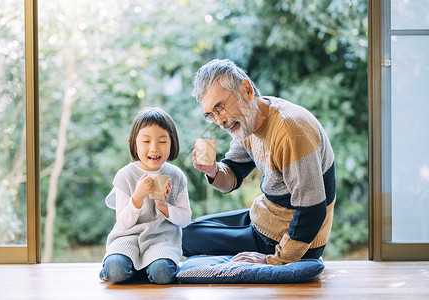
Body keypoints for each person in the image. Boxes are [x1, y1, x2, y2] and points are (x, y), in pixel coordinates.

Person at [182, 59, 336, 265]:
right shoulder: (249, 121)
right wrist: (212, 170)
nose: (219, 121)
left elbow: (312, 211)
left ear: (246, 89)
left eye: (220, 108)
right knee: (185, 230)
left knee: (183, 237)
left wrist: (274, 259)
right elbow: (233, 174)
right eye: (211, 115)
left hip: (288, 237)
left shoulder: (290, 131)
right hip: (267, 217)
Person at [100, 107, 192, 284]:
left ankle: (148, 268)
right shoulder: (125, 175)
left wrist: (164, 207)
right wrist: (137, 197)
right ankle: (138, 267)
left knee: (162, 273)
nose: (154, 148)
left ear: (172, 143)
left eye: (162, 141)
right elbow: (123, 223)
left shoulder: (176, 175)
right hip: (127, 238)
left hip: (161, 240)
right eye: (146, 141)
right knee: (116, 270)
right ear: (133, 144)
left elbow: (185, 219)